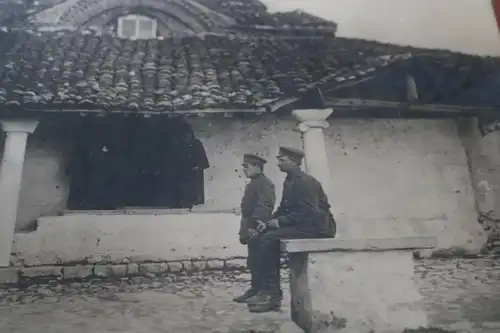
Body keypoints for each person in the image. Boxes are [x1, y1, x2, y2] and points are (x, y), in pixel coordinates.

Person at [247, 146, 337, 313]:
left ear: (294, 162)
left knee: (269, 239)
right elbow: (284, 208)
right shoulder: (290, 180)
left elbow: (309, 213)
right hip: (303, 225)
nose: (278, 163)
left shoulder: (305, 182)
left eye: (282, 159)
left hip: (318, 228)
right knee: (259, 236)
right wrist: (268, 222)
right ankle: (262, 289)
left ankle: (273, 296)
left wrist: (279, 222)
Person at [233, 153, 276, 303]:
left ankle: (264, 292)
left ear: (257, 167)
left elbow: (265, 205)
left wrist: (254, 226)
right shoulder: (254, 183)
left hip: (258, 229)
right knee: (253, 261)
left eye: (247, 166)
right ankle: (255, 288)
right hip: (251, 227)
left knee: (260, 261)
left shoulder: (264, 183)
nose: (244, 169)